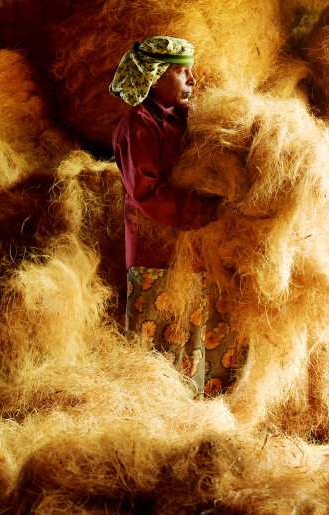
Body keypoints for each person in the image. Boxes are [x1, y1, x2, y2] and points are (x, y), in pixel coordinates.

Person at [110, 36, 245, 397]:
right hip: (158, 255)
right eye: (183, 72)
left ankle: (205, 408)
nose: (192, 80)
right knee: (163, 340)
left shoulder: (186, 117)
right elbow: (147, 195)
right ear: (156, 77)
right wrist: (209, 210)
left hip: (197, 250)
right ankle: (163, 408)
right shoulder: (138, 125)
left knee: (204, 334)